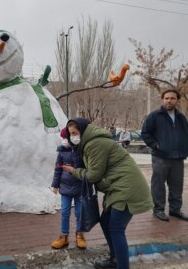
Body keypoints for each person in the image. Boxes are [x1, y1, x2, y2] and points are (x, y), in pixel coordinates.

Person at [62, 117, 152, 269]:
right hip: (118, 187)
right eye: (71, 134)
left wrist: (73, 171)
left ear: (83, 131)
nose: (73, 137)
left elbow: (93, 175)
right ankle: (114, 259)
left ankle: (122, 265)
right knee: (105, 221)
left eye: (75, 133)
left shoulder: (95, 143)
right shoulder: (90, 143)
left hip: (126, 188)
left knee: (116, 228)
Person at [141, 89, 188, 222]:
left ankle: (175, 210)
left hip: (178, 157)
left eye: (172, 98)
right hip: (160, 157)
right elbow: (145, 133)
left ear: (177, 100)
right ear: (163, 99)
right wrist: (156, 145)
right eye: (166, 98)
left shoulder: (181, 117)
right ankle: (159, 209)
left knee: (177, 185)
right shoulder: (154, 116)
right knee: (158, 184)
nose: (169, 100)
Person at [51, 126, 87, 250]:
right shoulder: (61, 151)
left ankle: (80, 235)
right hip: (65, 187)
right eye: (64, 138)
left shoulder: (82, 149)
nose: (65, 140)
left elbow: (87, 167)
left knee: (79, 212)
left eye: (66, 137)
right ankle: (63, 236)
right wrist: (55, 185)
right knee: (65, 212)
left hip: (79, 186)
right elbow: (57, 169)